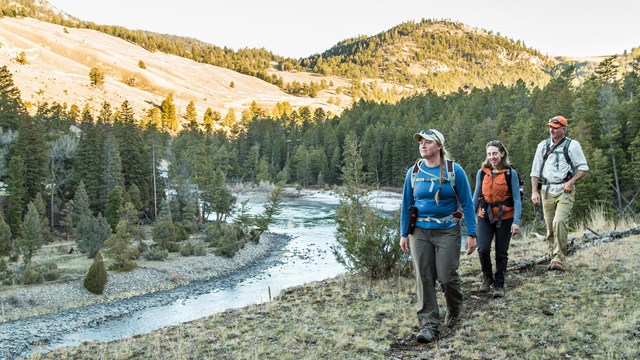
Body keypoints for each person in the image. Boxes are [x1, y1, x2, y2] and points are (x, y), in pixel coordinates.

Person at [400, 129, 477, 343]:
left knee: (446, 276)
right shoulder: (414, 172)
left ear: (439, 146)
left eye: (428, 142)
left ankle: (454, 308)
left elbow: (468, 204)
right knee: (423, 277)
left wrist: (471, 233)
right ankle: (429, 325)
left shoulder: (454, 171)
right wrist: (403, 233)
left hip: (447, 230)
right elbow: (407, 204)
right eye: (420, 143)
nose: (423, 145)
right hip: (420, 232)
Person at [531, 115, 588, 272]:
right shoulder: (542, 146)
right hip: (547, 190)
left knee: (559, 222)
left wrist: (571, 182)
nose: (552, 131)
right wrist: (534, 191)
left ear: (564, 129)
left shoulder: (572, 145)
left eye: (555, 128)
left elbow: (583, 168)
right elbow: (535, 171)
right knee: (550, 227)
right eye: (550, 127)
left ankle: (558, 258)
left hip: (565, 189)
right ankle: (553, 253)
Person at [472, 140, 522, 298]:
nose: (492, 157)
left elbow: (517, 198)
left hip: (505, 217)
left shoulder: (510, 173)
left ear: (502, 153)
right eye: (489, 154)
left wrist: (516, 221)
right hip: (484, 216)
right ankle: (487, 277)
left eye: (494, 153)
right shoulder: (482, 172)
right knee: (483, 248)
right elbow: (475, 196)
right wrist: (469, 216)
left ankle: (499, 284)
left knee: (501, 253)